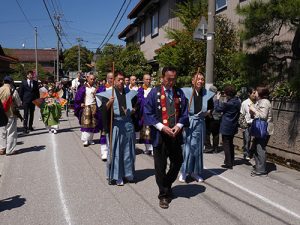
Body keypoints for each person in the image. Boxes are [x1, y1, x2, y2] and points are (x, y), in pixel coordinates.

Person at [144, 67, 189, 209]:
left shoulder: (179, 93)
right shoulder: (154, 93)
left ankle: (166, 184)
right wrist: (162, 127)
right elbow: (148, 113)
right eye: (169, 79)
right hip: (160, 135)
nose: (171, 82)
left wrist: (179, 125)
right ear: (163, 77)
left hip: (175, 135)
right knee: (160, 167)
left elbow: (184, 113)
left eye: (174, 79)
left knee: (178, 161)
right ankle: (163, 195)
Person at [97, 72, 138, 186]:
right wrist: (109, 104)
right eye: (119, 80)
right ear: (114, 81)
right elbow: (103, 111)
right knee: (116, 151)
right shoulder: (108, 94)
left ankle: (128, 174)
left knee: (129, 150)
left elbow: (136, 106)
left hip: (128, 124)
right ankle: (117, 175)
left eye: (122, 79)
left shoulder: (130, 93)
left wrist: (134, 110)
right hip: (116, 125)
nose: (121, 82)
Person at [179, 72, 215, 183]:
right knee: (187, 148)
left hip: (200, 123)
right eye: (198, 79)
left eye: (202, 79)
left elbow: (211, 109)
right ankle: (184, 172)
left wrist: (207, 113)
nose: (200, 81)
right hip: (189, 123)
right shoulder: (185, 92)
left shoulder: (207, 94)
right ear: (192, 81)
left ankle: (195, 171)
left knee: (198, 148)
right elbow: (181, 108)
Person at [214, 85, 241, 169]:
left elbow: (218, 109)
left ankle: (228, 162)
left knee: (226, 143)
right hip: (233, 124)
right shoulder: (237, 101)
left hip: (226, 125)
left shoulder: (228, 103)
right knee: (230, 143)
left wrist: (217, 99)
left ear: (227, 93)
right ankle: (231, 160)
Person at [249, 86, 273, 176]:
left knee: (260, 148)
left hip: (264, 128)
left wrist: (253, 109)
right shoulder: (260, 102)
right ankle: (259, 168)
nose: (254, 93)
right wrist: (252, 111)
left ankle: (261, 170)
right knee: (257, 147)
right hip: (259, 128)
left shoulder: (265, 102)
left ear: (260, 93)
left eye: (256, 92)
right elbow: (255, 115)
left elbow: (263, 116)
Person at [74, 73, 102, 147]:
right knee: (86, 123)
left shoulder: (96, 88)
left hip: (94, 107)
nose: (92, 80)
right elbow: (78, 97)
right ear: (87, 79)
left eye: (93, 79)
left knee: (93, 124)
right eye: (91, 79)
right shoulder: (83, 88)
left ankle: (90, 139)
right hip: (86, 107)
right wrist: (80, 104)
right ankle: (85, 140)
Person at [0, 76, 22, 155]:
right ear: (11, 82)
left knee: (2, 132)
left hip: (1, 114)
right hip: (10, 114)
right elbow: (19, 103)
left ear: (3, 82)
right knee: (11, 132)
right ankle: (10, 150)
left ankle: (2, 148)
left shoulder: (0, 89)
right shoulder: (13, 91)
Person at [97, 72, 114, 160]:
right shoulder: (102, 89)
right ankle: (104, 152)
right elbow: (99, 103)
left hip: (115, 114)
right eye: (110, 78)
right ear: (107, 78)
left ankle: (112, 151)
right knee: (104, 132)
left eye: (113, 78)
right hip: (105, 113)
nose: (112, 80)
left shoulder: (117, 88)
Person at [137, 74, 153, 155]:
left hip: (152, 114)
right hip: (144, 114)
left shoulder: (153, 89)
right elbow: (138, 100)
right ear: (143, 80)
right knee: (146, 131)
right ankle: (147, 148)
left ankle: (153, 148)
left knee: (152, 131)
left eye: (149, 79)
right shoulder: (140, 90)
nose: (148, 81)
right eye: (146, 79)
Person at [240, 87, 256, 160]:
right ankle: (246, 154)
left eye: (255, 93)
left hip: (255, 123)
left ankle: (253, 153)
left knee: (256, 139)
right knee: (247, 139)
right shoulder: (245, 103)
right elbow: (242, 114)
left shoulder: (257, 102)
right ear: (249, 94)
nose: (255, 95)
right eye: (253, 93)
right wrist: (242, 126)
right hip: (247, 123)